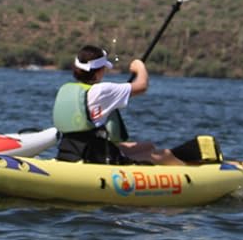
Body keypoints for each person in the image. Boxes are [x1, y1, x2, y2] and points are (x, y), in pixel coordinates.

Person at [52, 45, 184, 165]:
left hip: (69, 149)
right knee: (159, 155)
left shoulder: (68, 89)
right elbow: (142, 86)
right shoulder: (102, 90)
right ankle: (186, 173)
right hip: (93, 155)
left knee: (148, 146)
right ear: (98, 71)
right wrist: (140, 67)